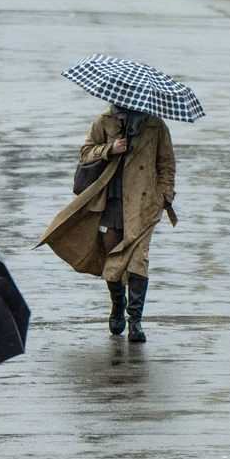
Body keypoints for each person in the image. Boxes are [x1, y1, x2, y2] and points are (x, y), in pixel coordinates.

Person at [38, 104, 177, 342]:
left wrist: (164, 196)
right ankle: (117, 305)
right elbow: (86, 152)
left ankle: (135, 320)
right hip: (111, 200)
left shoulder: (156, 125)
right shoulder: (105, 120)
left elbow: (166, 164)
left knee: (138, 259)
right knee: (112, 254)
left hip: (143, 205)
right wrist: (109, 149)